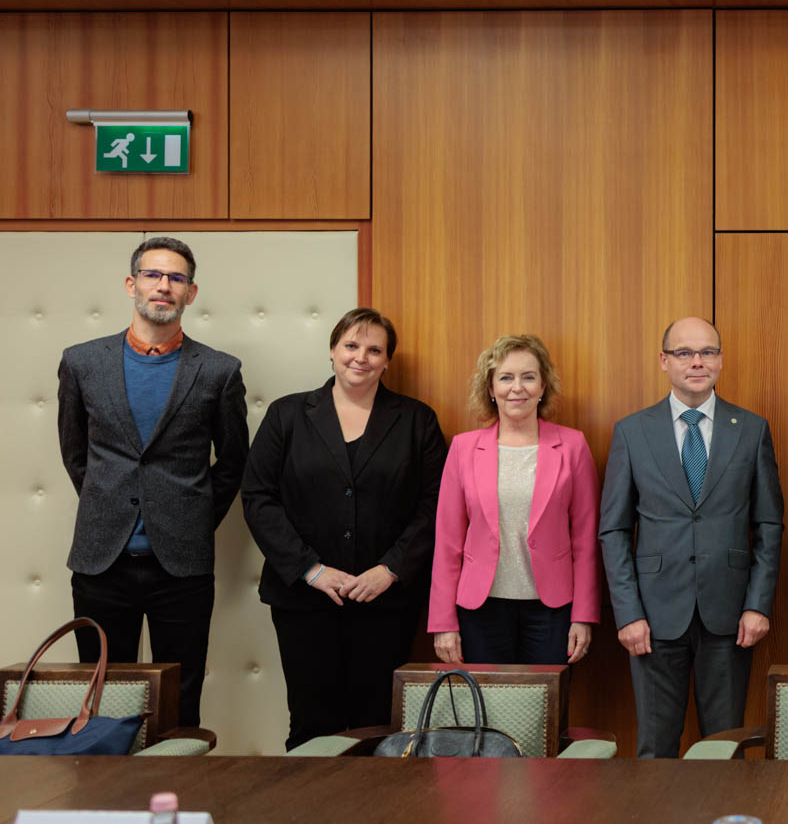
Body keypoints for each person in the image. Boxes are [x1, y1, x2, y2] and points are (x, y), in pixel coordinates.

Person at [56, 237, 248, 729]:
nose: (164, 286)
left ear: (191, 292)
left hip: (182, 566)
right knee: (101, 698)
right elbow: (75, 454)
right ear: (131, 284)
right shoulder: (82, 362)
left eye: (176, 278)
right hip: (101, 560)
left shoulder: (220, 370)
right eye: (153, 275)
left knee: (179, 701)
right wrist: (109, 505)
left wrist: (191, 517)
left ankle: (175, 780)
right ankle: (104, 780)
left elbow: (233, 462)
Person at [242, 308, 448, 750]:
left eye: (374, 350)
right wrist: (311, 570)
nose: (361, 357)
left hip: (386, 601)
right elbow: (258, 497)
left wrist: (390, 569)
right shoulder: (286, 414)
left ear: (387, 361)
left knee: (378, 725)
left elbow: (436, 505)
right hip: (303, 599)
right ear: (333, 351)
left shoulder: (417, 420)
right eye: (351, 345)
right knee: (311, 722)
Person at [600, 317, 783, 758]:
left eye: (707, 352)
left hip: (730, 616)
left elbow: (769, 525)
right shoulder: (632, 431)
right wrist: (628, 613)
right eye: (684, 352)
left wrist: (758, 605)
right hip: (653, 617)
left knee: (724, 748)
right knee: (655, 749)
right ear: (664, 361)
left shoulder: (751, 429)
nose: (697, 362)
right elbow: (614, 530)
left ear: (720, 359)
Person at [429, 334, 601, 666]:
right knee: (486, 699)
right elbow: (447, 542)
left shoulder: (573, 446)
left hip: (552, 611)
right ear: (491, 389)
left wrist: (584, 615)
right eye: (506, 377)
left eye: (528, 377)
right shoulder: (464, 449)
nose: (517, 388)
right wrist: (443, 622)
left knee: (545, 699)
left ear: (543, 386)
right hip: (480, 609)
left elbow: (586, 539)